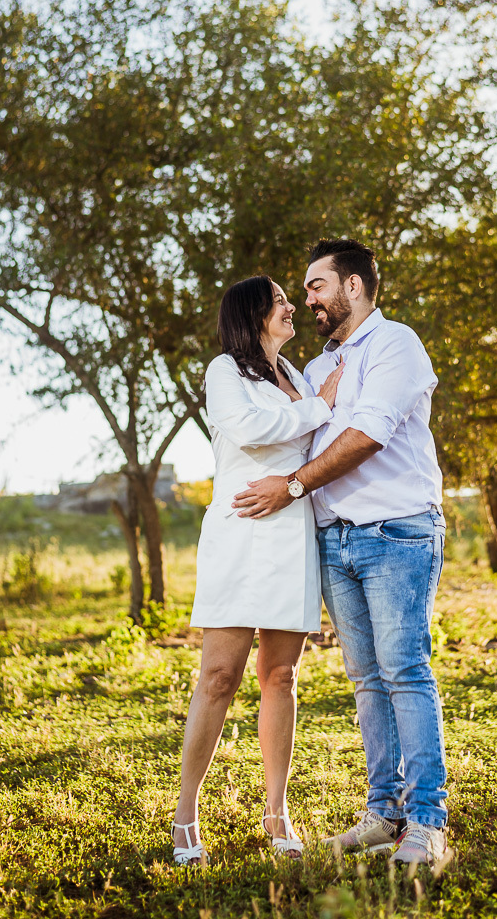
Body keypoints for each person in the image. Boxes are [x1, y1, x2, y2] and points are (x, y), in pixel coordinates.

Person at [232, 239, 448, 868]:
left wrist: (294, 487)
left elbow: (369, 435)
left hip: (396, 531)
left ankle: (427, 821)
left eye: (316, 286)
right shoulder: (320, 366)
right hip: (337, 537)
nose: (308, 300)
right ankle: (384, 812)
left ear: (353, 287)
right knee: (365, 679)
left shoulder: (394, 345)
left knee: (404, 670)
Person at [171, 274, 343, 866]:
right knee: (219, 677)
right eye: (279, 302)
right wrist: (321, 407)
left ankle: (277, 810)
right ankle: (186, 813)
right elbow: (248, 429)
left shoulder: (296, 375)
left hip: (292, 534)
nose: (291, 307)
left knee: (281, 677)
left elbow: (315, 449)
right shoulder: (225, 372)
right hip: (241, 531)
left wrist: (294, 480)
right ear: (252, 315)